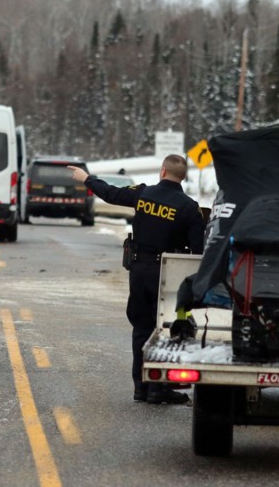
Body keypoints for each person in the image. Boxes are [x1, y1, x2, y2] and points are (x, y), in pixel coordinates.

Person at [69, 155, 205, 405]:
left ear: (162, 171)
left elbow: (111, 194)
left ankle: (141, 388)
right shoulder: (189, 208)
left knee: (141, 327)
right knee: (164, 330)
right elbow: (198, 251)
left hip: (139, 270)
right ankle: (158, 389)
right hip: (168, 274)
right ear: (182, 177)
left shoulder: (143, 194)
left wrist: (87, 179)